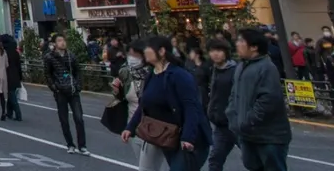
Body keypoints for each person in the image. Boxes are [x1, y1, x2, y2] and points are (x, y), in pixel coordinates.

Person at [123, 35, 212, 171]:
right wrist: (130, 127)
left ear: (162, 51)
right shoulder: (151, 75)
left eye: (148, 48)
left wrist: (188, 137)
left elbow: (191, 107)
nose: (144, 51)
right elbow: (144, 106)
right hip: (167, 136)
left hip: (189, 138)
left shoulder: (179, 75)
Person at [226, 27, 291, 171]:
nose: (237, 44)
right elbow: (234, 95)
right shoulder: (240, 67)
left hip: (270, 136)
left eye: (241, 41)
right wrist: (232, 116)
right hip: (247, 135)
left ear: (254, 47)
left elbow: (268, 100)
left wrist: (247, 121)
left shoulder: (267, 67)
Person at [115, 39, 167, 171]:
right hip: (134, 126)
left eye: (135, 55)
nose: (132, 58)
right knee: (144, 164)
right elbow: (122, 98)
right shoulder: (125, 72)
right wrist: (117, 91)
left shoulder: (154, 72)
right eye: (130, 55)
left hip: (153, 127)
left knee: (151, 167)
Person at [44, 33, 89, 155]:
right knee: (64, 119)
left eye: (63, 40)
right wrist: (54, 88)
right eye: (59, 40)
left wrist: (78, 85)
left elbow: (78, 71)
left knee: (79, 118)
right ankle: (70, 144)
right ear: (54, 43)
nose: (62, 43)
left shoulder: (71, 56)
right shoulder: (49, 57)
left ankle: (82, 145)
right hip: (60, 92)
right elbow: (47, 74)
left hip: (73, 90)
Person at [205, 38, 237, 171]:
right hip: (220, 124)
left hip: (236, 123)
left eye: (219, 50)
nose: (215, 54)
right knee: (215, 160)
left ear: (226, 52)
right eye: (212, 51)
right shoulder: (213, 69)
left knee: (253, 160)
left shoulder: (235, 70)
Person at [3, 35, 24, 121]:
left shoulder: (4, 52)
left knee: (12, 95)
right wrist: (20, 77)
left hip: (8, 75)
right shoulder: (15, 52)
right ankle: (9, 113)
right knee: (11, 94)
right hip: (16, 75)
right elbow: (19, 66)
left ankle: (18, 114)